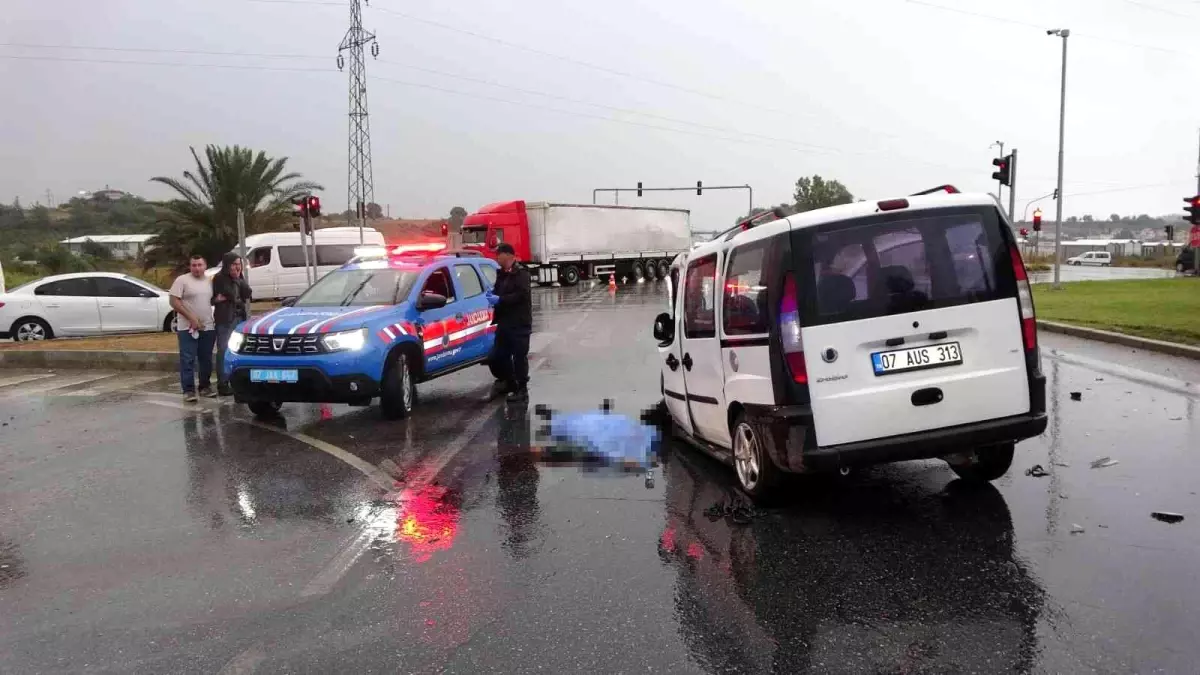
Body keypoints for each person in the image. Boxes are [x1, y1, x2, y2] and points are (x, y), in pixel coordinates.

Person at [486, 243, 533, 402]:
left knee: (519, 357)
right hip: (504, 323)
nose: (496, 258)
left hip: (519, 323)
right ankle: (508, 382)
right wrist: (492, 296)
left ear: (507, 255)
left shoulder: (522, 274)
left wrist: (501, 299)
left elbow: (521, 295)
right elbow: (498, 291)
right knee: (497, 356)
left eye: (498, 255)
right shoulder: (501, 274)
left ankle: (522, 390)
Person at [169, 254, 216, 402]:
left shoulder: (209, 281)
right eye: (194, 265)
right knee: (188, 359)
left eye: (199, 265)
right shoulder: (182, 280)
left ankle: (205, 386)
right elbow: (174, 301)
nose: (197, 268)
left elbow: (210, 300)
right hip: (187, 328)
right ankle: (188, 390)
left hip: (207, 326)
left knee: (206, 359)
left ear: (205, 266)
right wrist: (191, 318)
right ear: (190, 267)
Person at [211, 252, 253, 396]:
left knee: (239, 349)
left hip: (239, 318)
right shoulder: (220, 278)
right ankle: (222, 384)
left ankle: (237, 381)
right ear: (227, 264)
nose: (237, 267)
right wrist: (235, 294)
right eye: (234, 264)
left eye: (239, 264)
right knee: (223, 350)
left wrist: (238, 279)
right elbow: (231, 295)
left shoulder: (238, 277)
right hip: (225, 319)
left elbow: (247, 293)